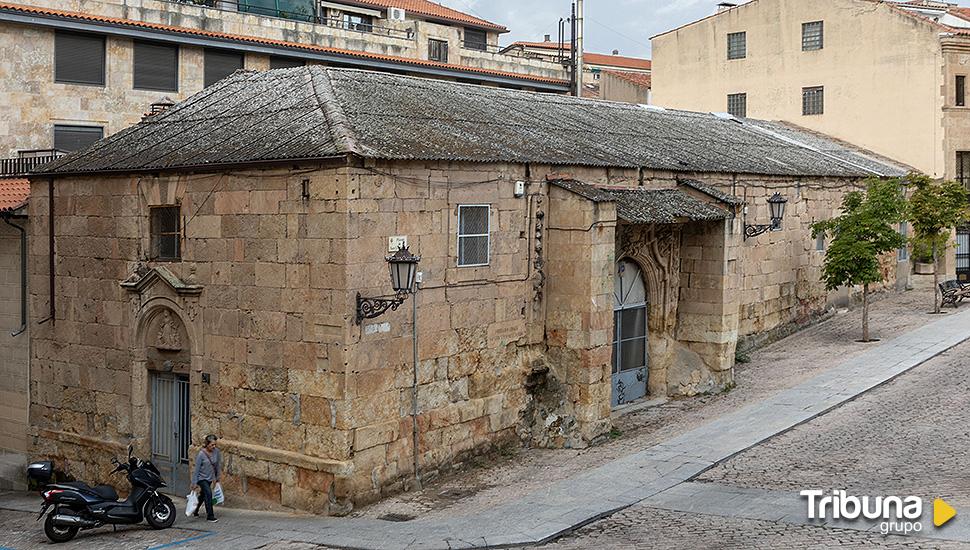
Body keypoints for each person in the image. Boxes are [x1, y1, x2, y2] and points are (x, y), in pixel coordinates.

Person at [190, 434, 221, 522]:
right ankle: (210, 516)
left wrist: (217, 477)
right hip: (201, 478)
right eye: (212, 445)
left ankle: (196, 509)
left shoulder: (216, 452)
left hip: (210, 478)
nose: (214, 446)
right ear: (207, 444)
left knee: (203, 495)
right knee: (208, 494)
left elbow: (217, 465)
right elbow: (196, 469)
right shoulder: (201, 454)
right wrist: (194, 482)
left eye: (215, 444)